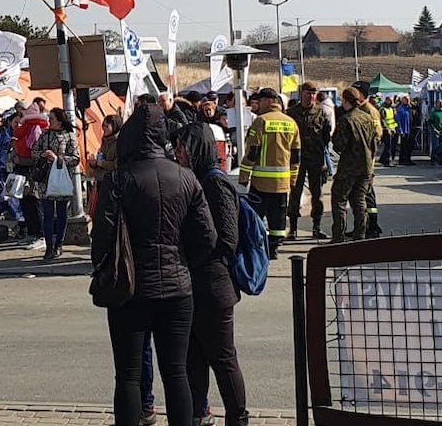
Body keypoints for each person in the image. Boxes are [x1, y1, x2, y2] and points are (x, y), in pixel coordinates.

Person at [91, 104, 217, 426]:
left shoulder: (118, 180)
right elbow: (207, 237)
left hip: (129, 288)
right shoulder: (187, 178)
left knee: (129, 375)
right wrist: (183, 260)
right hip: (177, 286)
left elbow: (102, 239)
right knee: (177, 372)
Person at [176, 123, 248, 426]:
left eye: (182, 148)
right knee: (193, 357)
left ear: (196, 149)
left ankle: (238, 418)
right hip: (192, 285)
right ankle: (198, 414)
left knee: (222, 357)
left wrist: (195, 255)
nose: (177, 154)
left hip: (213, 284)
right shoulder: (192, 180)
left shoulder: (214, 183)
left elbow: (227, 240)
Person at [238, 88, 300, 260]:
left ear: (267, 101)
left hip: (261, 183)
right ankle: (274, 248)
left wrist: (243, 176)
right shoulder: (291, 123)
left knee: (256, 217)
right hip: (282, 183)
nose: (256, 105)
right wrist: (293, 178)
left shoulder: (261, 121)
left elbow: (252, 152)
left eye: (259, 101)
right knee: (278, 219)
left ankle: (257, 249)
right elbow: (296, 155)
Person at [31, 107, 80, 260]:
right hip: (46, 180)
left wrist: (58, 159)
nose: (49, 121)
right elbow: (33, 152)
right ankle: (49, 246)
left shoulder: (69, 136)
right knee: (47, 214)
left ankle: (59, 243)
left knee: (61, 214)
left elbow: (76, 158)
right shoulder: (44, 135)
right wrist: (42, 154)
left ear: (59, 120)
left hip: (61, 179)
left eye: (52, 118)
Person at [330, 88, 376, 243]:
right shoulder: (367, 118)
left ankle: (338, 236)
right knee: (359, 201)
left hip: (349, 168)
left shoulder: (346, 119)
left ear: (345, 101)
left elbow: (339, 146)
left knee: (339, 200)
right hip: (366, 167)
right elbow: (374, 143)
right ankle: (360, 235)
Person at [286, 81, 331, 240]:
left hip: (315, 158)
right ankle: (292, 229)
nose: (310, 96)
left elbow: (326, 137)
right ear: (301, 93)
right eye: (307, 93)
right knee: (294, 192)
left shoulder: (321, 113)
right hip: (296, 159)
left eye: (313, 94)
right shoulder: (291, 113)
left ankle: (316, 227)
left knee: (317, 194)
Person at [13, 101, 50, 248]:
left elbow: (35, 154)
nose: (19, 112)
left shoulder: (34, 128)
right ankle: (32, 233)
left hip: (30, 170)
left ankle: (40, 235)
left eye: (22, 110)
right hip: (23, 168)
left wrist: (20, 157)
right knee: (26, 202)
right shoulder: (29, 128)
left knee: (33, 202)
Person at [0, 109, 25, 235]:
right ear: (10, 121)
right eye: (16, 122)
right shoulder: (2, 135)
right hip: (3, 170)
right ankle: (0, 217)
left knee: (14, 197)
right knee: (4, 196)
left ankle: (21, 225)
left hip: (17, 171)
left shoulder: (23, 135)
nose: (19, 125)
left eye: (21, 123)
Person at [378, 96, 398, 167]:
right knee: (388, 146)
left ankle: (383, 159)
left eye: (392, 101)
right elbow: (382, 120)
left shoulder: (390, 109)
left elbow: (392, 120)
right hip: (386, 130)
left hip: (391, 129)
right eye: (390, 101)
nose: (391, 102)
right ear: (386, 100)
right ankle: (386, 161)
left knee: (390, 146)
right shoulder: (382, 109)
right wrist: (387, 129)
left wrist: (394, 128)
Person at [395, 95, 414, 165]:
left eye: (408, 99)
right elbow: (398, 120)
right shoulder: (400, 109)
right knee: (404, 146)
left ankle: (408, 159)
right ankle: (402, 160)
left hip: (409, 130)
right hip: (404, 130)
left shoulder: (409, 108)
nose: (408, 100)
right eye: (406, 99)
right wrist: (400, 130)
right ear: (402, 100)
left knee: (409, 146)